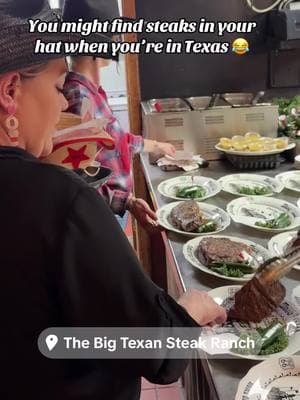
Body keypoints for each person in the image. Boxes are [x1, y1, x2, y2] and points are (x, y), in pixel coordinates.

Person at [0, 1, 226, 399]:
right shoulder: (60, 199)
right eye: (56, 87)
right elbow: (157, 352)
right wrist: (191, 309)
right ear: (10, 92)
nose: (65, 104)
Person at [62, 0, 176, 231]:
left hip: (112, 210)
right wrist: (127, 202)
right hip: (101, 215)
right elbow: (79, 178)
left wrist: (155, 145)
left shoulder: (92, 91)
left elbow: (114, 140)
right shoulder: (79, 97)